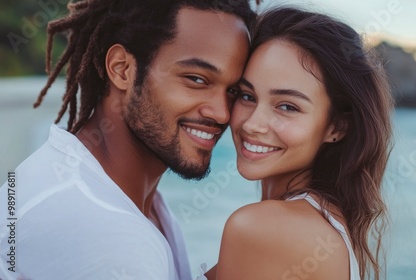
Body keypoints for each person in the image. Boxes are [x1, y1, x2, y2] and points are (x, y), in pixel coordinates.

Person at [0, 0, 255, 279]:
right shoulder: (105, 233)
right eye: (196, 79)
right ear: (122, 69)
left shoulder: (113, 192)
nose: (221, 113)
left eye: (233, 91)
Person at [205, 7, 393, 280]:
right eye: (247, 96)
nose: (252, 124)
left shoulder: (263, 228)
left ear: (336, 126)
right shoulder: (327, 222)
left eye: (287, 107)